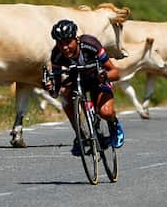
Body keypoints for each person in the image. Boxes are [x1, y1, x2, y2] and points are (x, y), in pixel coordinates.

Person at [44, 19, 125, 155]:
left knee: (105, 112)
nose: (64, 47)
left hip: (97, 80)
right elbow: (56, 90)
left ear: (76, 39)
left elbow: (116, 73)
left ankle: (113, 124)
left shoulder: (90, 44)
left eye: (68, 42)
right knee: (65, 94)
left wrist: (104, 76)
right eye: (60, 43)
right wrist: (51, 87)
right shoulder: (56, 55)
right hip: (77, 81)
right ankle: (80, 135)